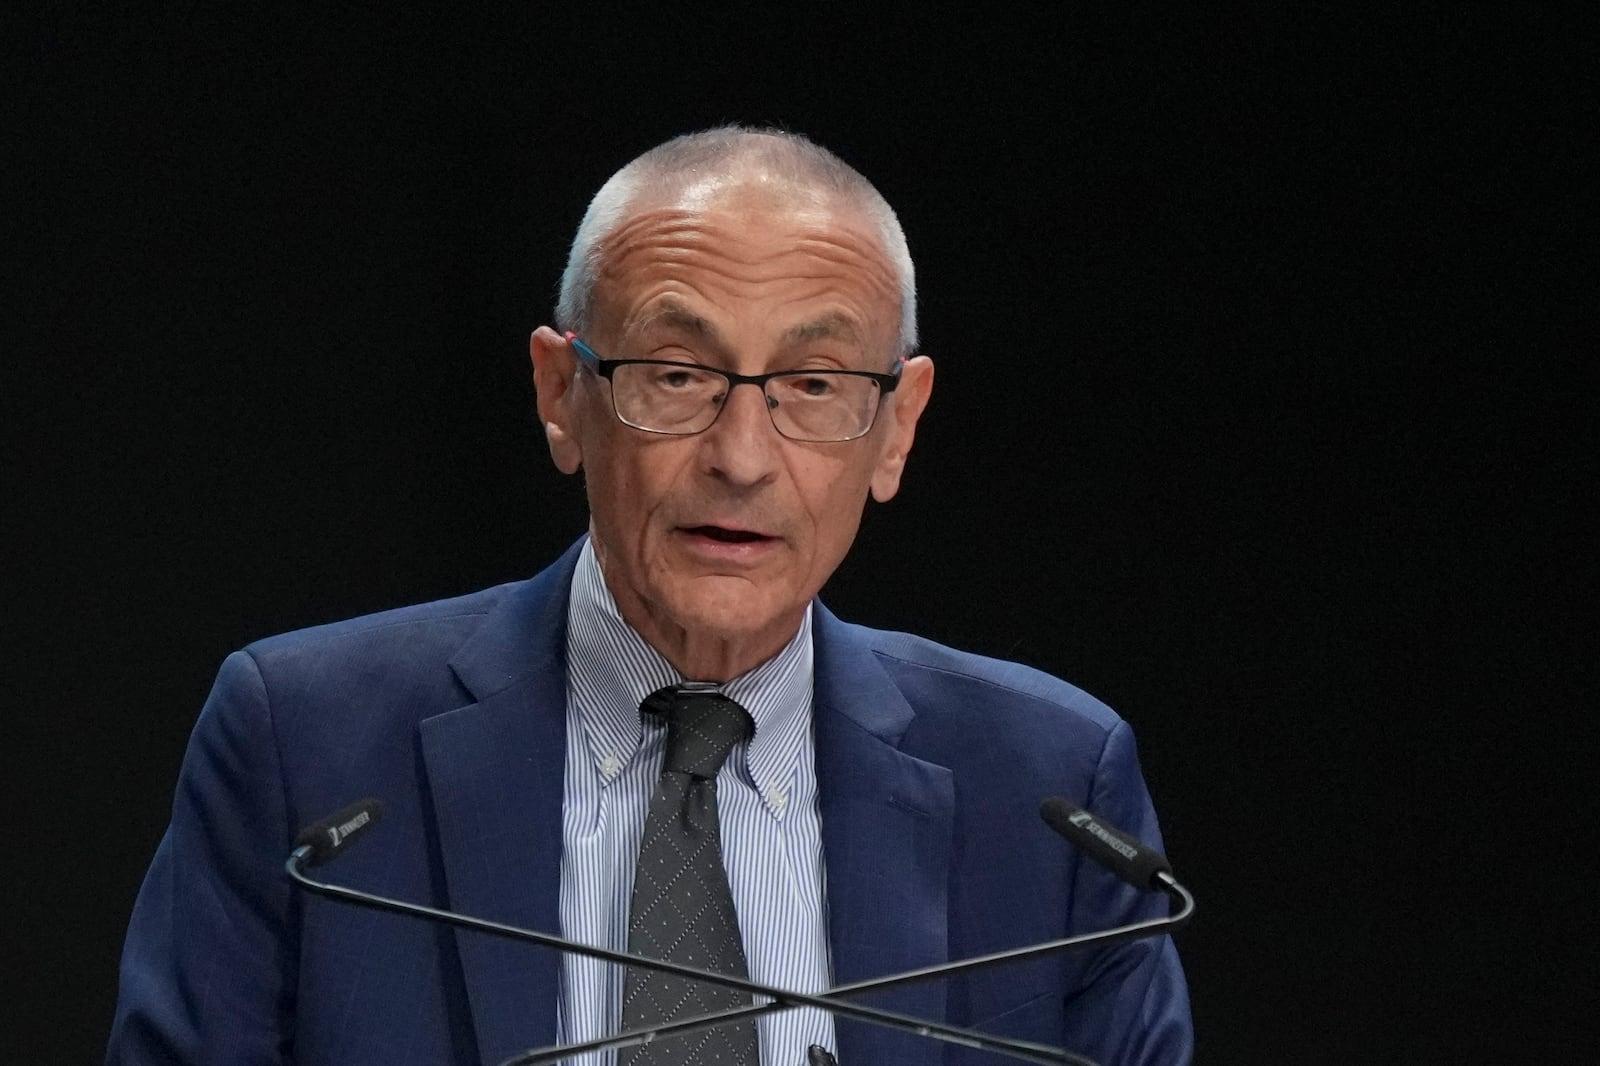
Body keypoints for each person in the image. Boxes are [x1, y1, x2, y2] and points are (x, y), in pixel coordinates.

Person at [107, 126, 1191, 1066]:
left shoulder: (1049, 792)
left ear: (896, 426)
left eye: (812, 385)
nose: (741, 456)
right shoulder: (310, 748)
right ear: (560, 394)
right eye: (676, 374)